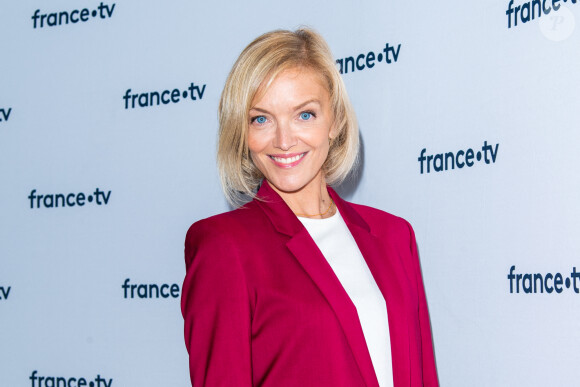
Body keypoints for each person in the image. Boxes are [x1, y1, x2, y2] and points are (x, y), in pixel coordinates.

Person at [181, 28, 438, 387]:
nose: (284, 140)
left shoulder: (395, 236)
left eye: (304, 115)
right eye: (261, 119)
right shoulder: (224, 246)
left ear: (334, 121)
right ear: (242, 133)